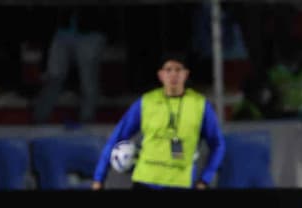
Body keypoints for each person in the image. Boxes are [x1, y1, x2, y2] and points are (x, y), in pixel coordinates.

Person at [91, 54, 225, 190]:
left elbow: (218, 144)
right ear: (161, 75)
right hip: (145, 181)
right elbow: (116, 138)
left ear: (186, 74)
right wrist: (98, 178)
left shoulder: (200, 105)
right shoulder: (146, 102)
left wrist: (205, 179)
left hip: (180, 183)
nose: (173, 74)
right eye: (168, 70)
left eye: (178, 70)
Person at [32, 6, 108, 124]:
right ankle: (39, 120)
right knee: (53, 77)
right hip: (63, 31)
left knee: (88, 81)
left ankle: (87, 121)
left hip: (90, 34)